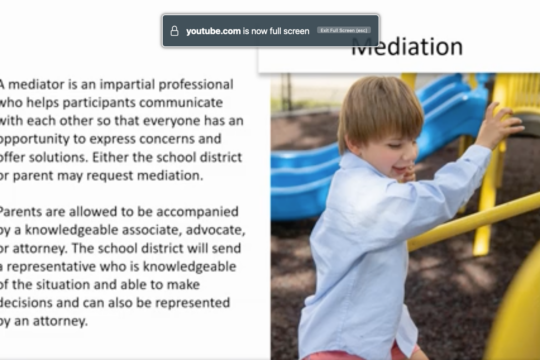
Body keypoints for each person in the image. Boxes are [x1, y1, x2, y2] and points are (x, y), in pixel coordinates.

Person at [298, 76, 524, 360]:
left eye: (413, 141)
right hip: (345, 344)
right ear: (355, 144)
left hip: (382, 326)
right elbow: (439, 198)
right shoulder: (362, 197)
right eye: (395, 145)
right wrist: (480, 149)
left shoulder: (359, 182)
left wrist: (396, 183)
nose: (409, 153)